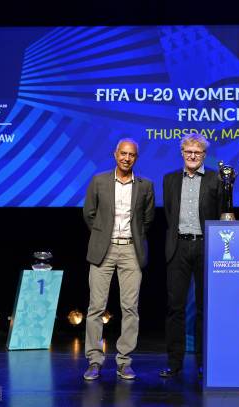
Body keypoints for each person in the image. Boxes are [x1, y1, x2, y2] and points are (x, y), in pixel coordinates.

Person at [82, 138, 154, 380]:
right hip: (104, 249)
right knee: (96, 307)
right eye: (123, 154)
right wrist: (103, 236)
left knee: (130, 308)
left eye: (131, 155)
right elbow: (89, 214)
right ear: (115, 155)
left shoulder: (145, 185)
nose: (126, 158)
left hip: (131, 251)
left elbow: (147, 219)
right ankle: (94, 360)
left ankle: (124, 361)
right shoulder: (99, 181)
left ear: (136, 158)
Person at [159, 133, 221, 378]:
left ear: (204, 155)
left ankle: (202, 362)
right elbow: (169, 215)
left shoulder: (216, 179)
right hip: (179, 247)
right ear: (182, 154)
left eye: (197, 152)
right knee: (175, 308)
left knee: (205, 308)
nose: (193, 156)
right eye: (188, 152)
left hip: (206, 246)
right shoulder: (170, 179)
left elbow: (221, 213)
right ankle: (174, 363)